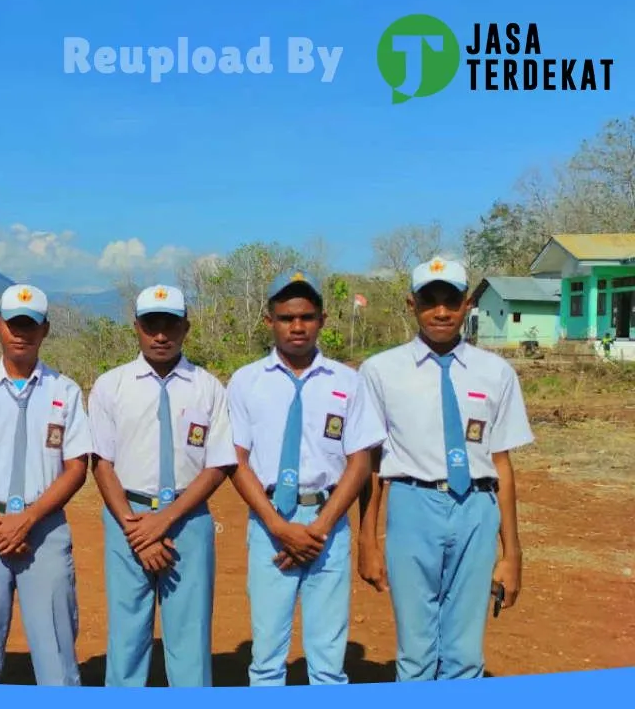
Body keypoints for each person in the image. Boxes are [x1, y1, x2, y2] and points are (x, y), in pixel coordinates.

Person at [357, 257, 531, 681]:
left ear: (468, 303)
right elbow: (372, 465)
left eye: (450, 301)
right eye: (429, 301)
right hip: (413, 506)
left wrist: (513, 554)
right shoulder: (381, 371)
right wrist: (368, 540)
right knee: (415, 650)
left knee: (465, 651)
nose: (440, 312)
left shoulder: (496, 373)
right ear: (410, 304)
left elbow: (501, 463)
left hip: (477, 507)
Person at [225, 271, 386, 686]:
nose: (297, 326)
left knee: (329, 661)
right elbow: (236, 461)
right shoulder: (246, 381)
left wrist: (320, 527)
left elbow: (361, 461)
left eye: (307, 317)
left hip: (327, 524)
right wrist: (279, 525)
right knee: (266, 658)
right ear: (270, 321)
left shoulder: (348, 382)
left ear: (323, 319)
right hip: (269, 523)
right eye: (286, 317)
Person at [87, 284, 237, 687]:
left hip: (189, 520)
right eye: (151, 324)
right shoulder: (111, 386)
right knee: (127, 634)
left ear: (186, 326)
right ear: (136, 327)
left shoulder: (208, 387)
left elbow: (217, 464)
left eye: (170, 324)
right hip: (127, 520)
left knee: (190, 636)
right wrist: (138, 530)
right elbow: (101, 464)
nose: (160, 334)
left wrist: (165, 520)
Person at [0, 283, 93, 686]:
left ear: (45, 330)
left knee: (56, 652)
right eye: (13, 323)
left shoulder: (65, 392)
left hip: (44, 530)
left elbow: (77, 466)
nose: (21, 333)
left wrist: (26, 519)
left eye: (30, 325)